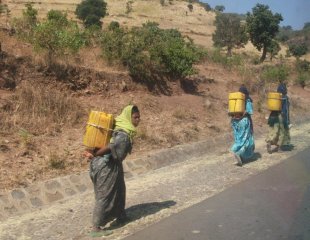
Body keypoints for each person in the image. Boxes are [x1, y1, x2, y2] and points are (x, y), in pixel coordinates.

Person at [85, 105, 140, 235]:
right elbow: (113, 148)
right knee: (105, 195)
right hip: (106, 166)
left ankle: (121, 216)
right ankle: (96, 228)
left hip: (109, 164)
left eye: (139, 117)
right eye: (135, 117)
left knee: (120, 189)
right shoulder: (124, 134)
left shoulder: (119, 128)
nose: (138, 120)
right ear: (128, 117)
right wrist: (96, 154)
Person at [230, 85, 255, 166]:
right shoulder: (247, 100)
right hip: (244, 121)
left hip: (236, 122)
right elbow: (249, 111)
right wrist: (243, 115)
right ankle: (238, 152)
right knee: (246, 139)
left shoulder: (236, 100)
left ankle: (240, 157)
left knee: (239, 138)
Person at [266, 83, 291, 153]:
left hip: (272, 115)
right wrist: (287, 120)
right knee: (282, 132)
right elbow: (286, 110)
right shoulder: (285, 98)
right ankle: (279, 148)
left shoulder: (275, 97)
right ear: (285, 90)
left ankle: (270, 143)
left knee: (273, 130)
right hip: (280, 116)